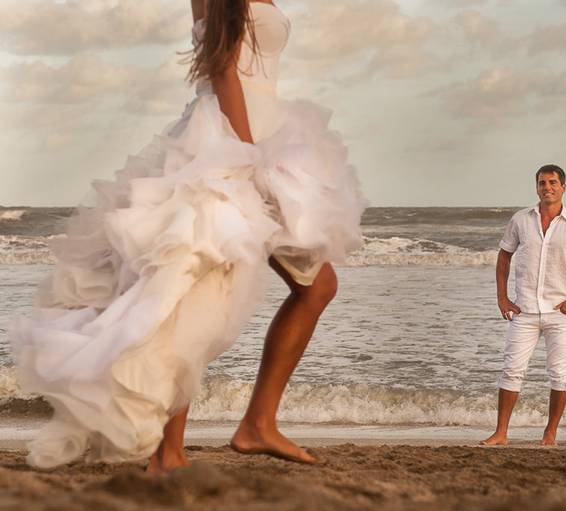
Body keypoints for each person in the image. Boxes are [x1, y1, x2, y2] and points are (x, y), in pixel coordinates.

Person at [11, 0, 366, 472]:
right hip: (227, 143)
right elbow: (223, 69)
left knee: (310, 286)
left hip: (264, 138)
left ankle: (257, 423)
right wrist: (245, 155)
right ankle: (171, 451)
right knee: (191, 290)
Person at [481, 164, 566, 447]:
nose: (548, 187)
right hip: (525, 311)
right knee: (512, 369)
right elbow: (504, 256)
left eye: (553, 183)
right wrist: (502, 297)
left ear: (563, 187)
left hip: (560, 312)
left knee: (559, 372)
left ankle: (550, 433)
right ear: (537, 187)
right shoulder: (521, 220)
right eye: (542, 183)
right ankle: (501, 433)